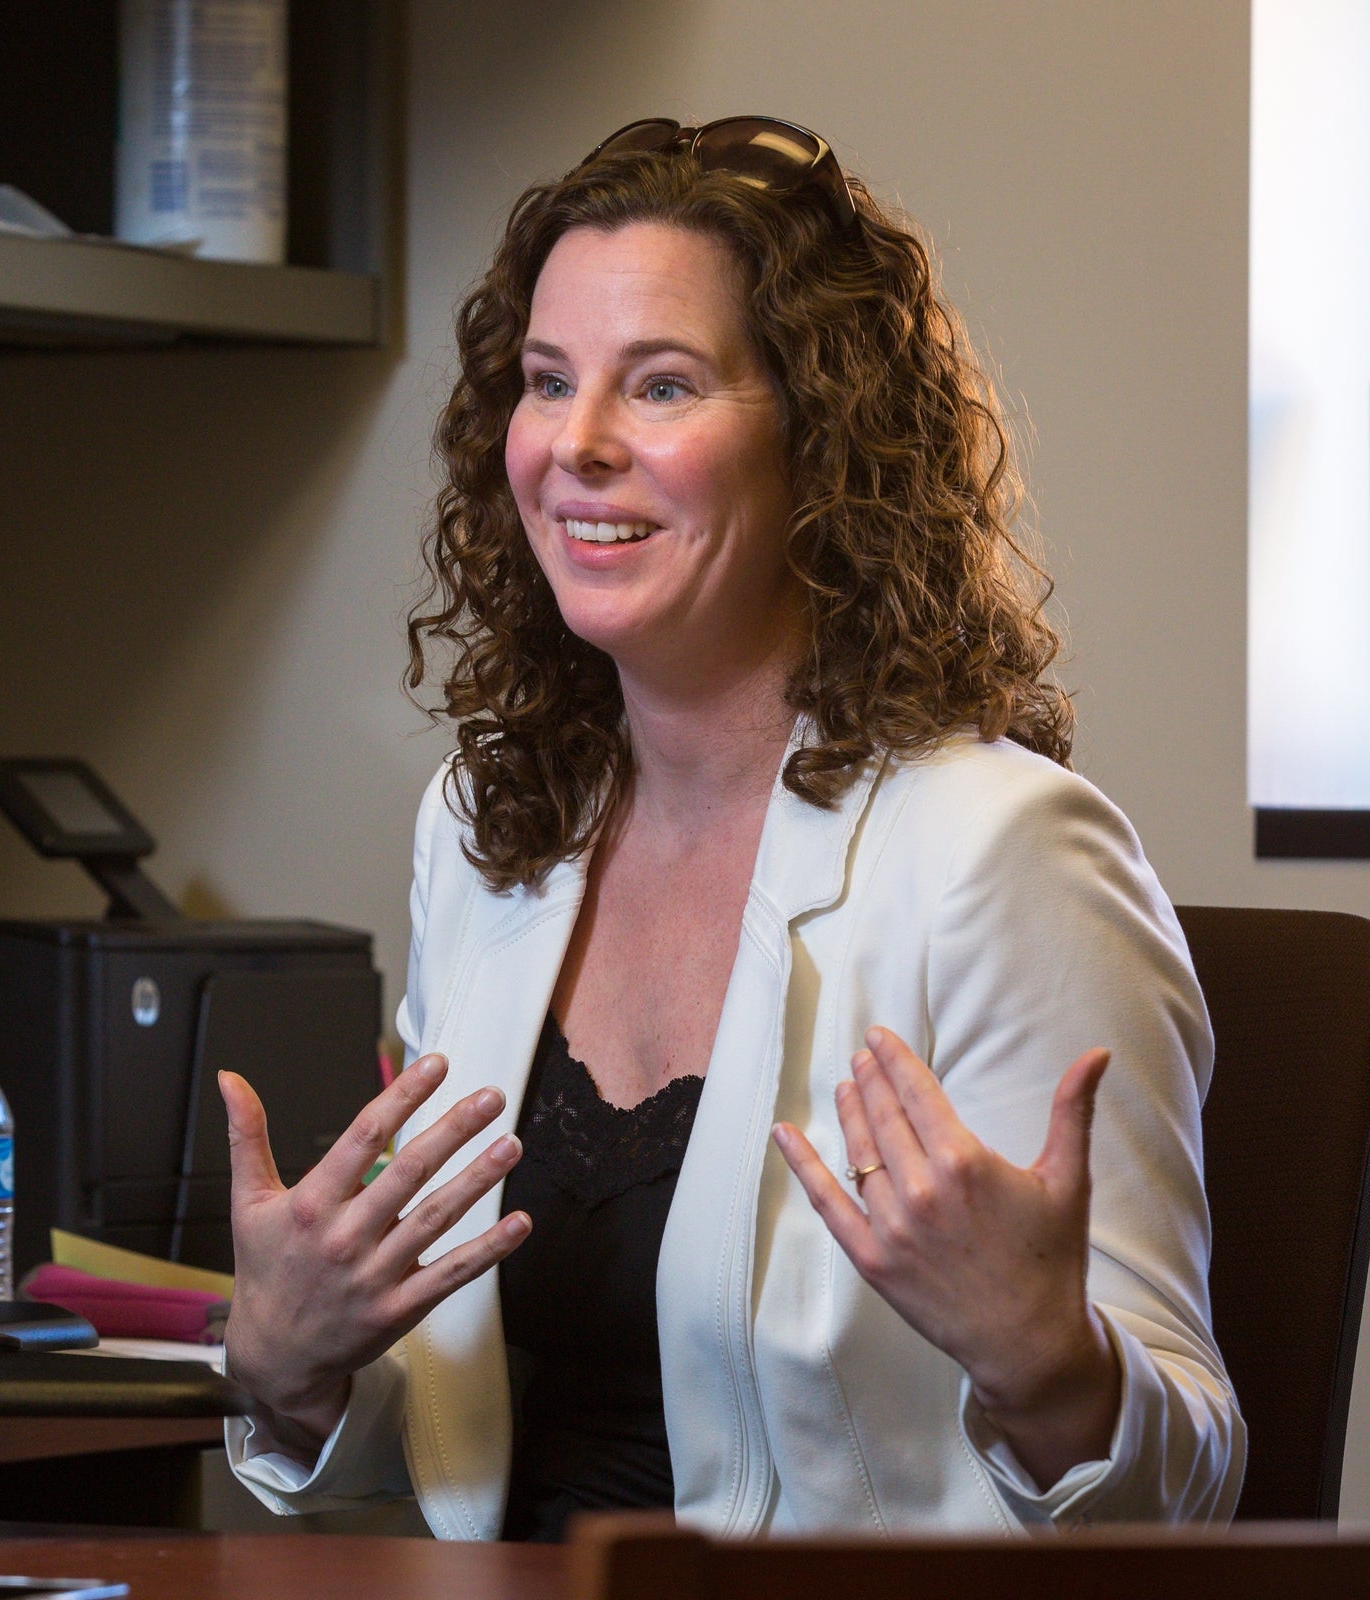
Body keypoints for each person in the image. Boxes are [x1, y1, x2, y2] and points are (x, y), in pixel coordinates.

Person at [215, 117, 1244, 1538]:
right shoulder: (484, 831)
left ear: (819, 441)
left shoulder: (1007, 853)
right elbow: (454, 1433)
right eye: (546, 382)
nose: (576, 446)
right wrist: (293, 1367)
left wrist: (1049, 1364)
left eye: (662, 386)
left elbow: (1187, 1487)